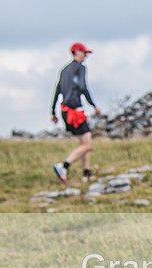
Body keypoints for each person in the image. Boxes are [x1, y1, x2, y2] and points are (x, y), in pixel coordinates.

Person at [50, 42, 102, 185]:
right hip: (75, 111)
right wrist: (94, 105)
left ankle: (86, 172)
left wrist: (53, 112)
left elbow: (57, 90)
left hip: (64, 111)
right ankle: (64, 166)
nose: (85, 56)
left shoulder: (64, 70)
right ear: (76, 52)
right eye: (84, 53)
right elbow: (83, 87)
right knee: (87, 145)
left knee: (84, 142)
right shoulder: (80, 68)